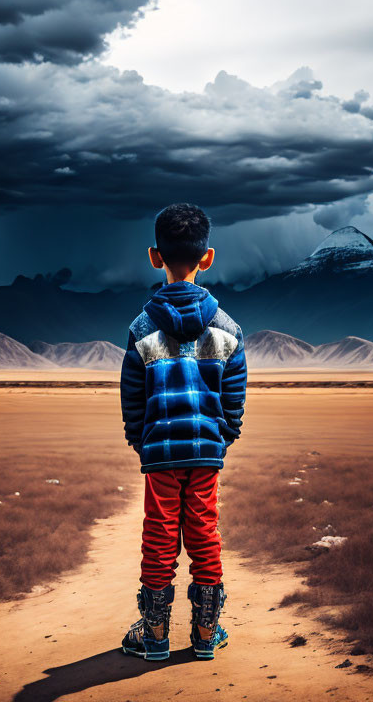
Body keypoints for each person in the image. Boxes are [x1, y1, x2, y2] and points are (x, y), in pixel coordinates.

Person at [119, 202, 248, 661]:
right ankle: (205, 633)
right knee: (204, 534)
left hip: (160, 457)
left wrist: (143, 442)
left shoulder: (140, 330)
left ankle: (154, 636)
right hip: (205, 454)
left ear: (155, 256)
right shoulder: (227, 329)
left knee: (158, 535)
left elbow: (132, 399)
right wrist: (222, 437)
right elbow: (234, 397)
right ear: (207, 258)